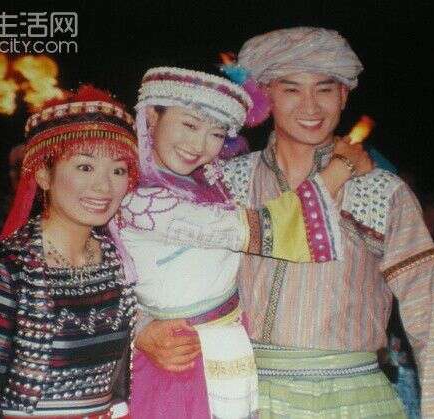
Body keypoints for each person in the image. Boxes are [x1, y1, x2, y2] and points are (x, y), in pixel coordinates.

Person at [138, 27, 434, 417]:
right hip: (241, 395)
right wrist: (142, 327)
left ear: (344, 95)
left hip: (355, 401)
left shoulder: (381, 191)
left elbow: (430, 315)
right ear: (265, 95)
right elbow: (143, 264)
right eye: (292, 89)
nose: (310, 107)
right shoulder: (224, 182)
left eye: (325, 89)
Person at [114, 66, 371, 418]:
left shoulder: (206, 183)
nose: (198, 145)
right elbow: (260, 229)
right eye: (189, 124)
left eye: (216, 134)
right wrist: (340, 168)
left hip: (222, 350)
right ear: (152, 118)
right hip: (177, 358)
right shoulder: (140, 197)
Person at [0, 85, 139, 418]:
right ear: (44, 175)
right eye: (85, 167)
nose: (104, 186)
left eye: (118, 170)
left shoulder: (118, 263)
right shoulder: (3, 276)